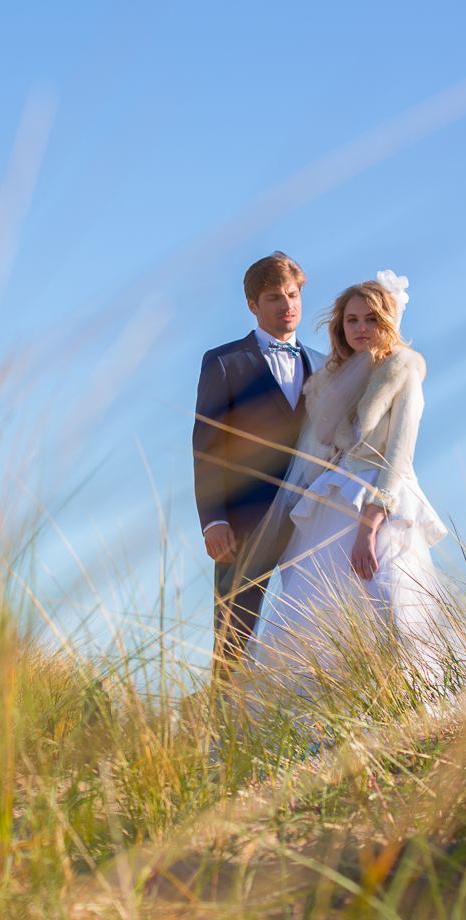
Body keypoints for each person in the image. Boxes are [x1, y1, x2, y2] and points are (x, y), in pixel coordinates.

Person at [245, 271, 449, 700]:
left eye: (371, 319)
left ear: (387, 321)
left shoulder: (404, 370)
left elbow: (399, 457)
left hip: (379, 503)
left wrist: (369, 526)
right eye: (351, 320)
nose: (360, 328)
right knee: (319, 614)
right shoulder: (328, 380)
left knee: (389, 606)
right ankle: (325, 716)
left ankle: (409, 705)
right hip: (331, 504)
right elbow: (318, 451)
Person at [193, 252, 327, 677]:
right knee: (234, 629)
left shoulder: (326, 366)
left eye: (293, 295)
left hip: (312, 514)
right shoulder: (224, 361)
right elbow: (208, 445)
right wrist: (214, 520)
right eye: (274, 297)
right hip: (244, 520)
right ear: (253, 305)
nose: (287, 305)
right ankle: (223, 715)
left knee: (316, 618)